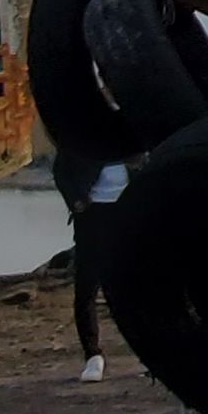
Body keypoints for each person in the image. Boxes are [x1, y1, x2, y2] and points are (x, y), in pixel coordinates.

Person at [59, 156, 130, 382]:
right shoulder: (83, 141)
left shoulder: (132, 137)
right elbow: (61, 169)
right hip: (92, 216)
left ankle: (150, 352)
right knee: (86, 288)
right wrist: (76, 201)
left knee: (130, 286)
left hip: (128, 211)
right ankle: (92, 356)